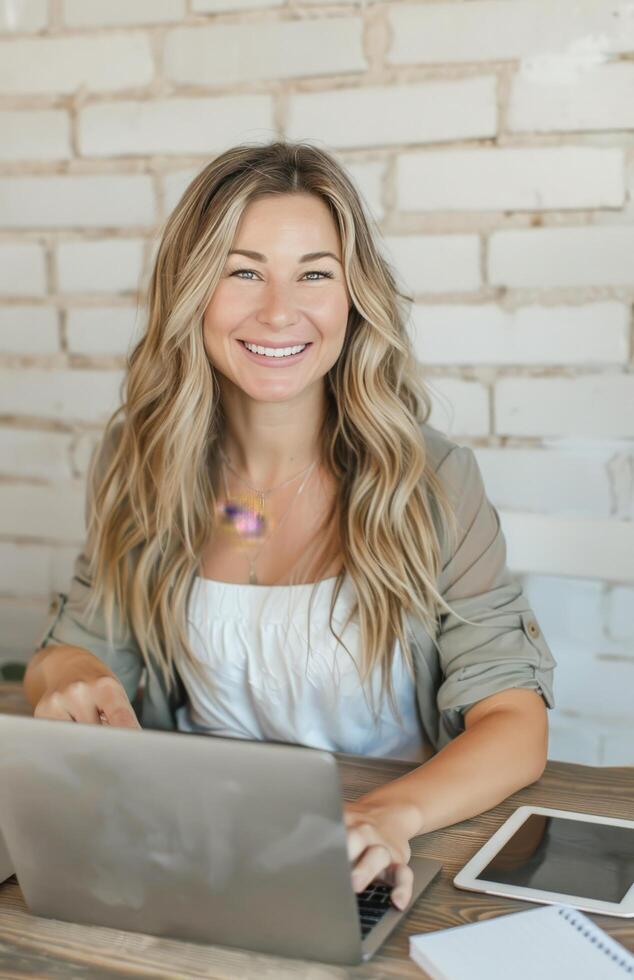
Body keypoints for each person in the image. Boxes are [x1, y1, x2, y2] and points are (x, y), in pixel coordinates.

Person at [23, 139, 557, 911]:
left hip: (374, 856)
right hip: (199, 851)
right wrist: (70, 676)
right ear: (192, 292)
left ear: (352, 297)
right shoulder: (143, 466)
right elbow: (71, 651)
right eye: (243, 272)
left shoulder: (430, 482)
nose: (279, 310)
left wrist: (387, 814)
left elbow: (515, 720)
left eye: (314, 273)